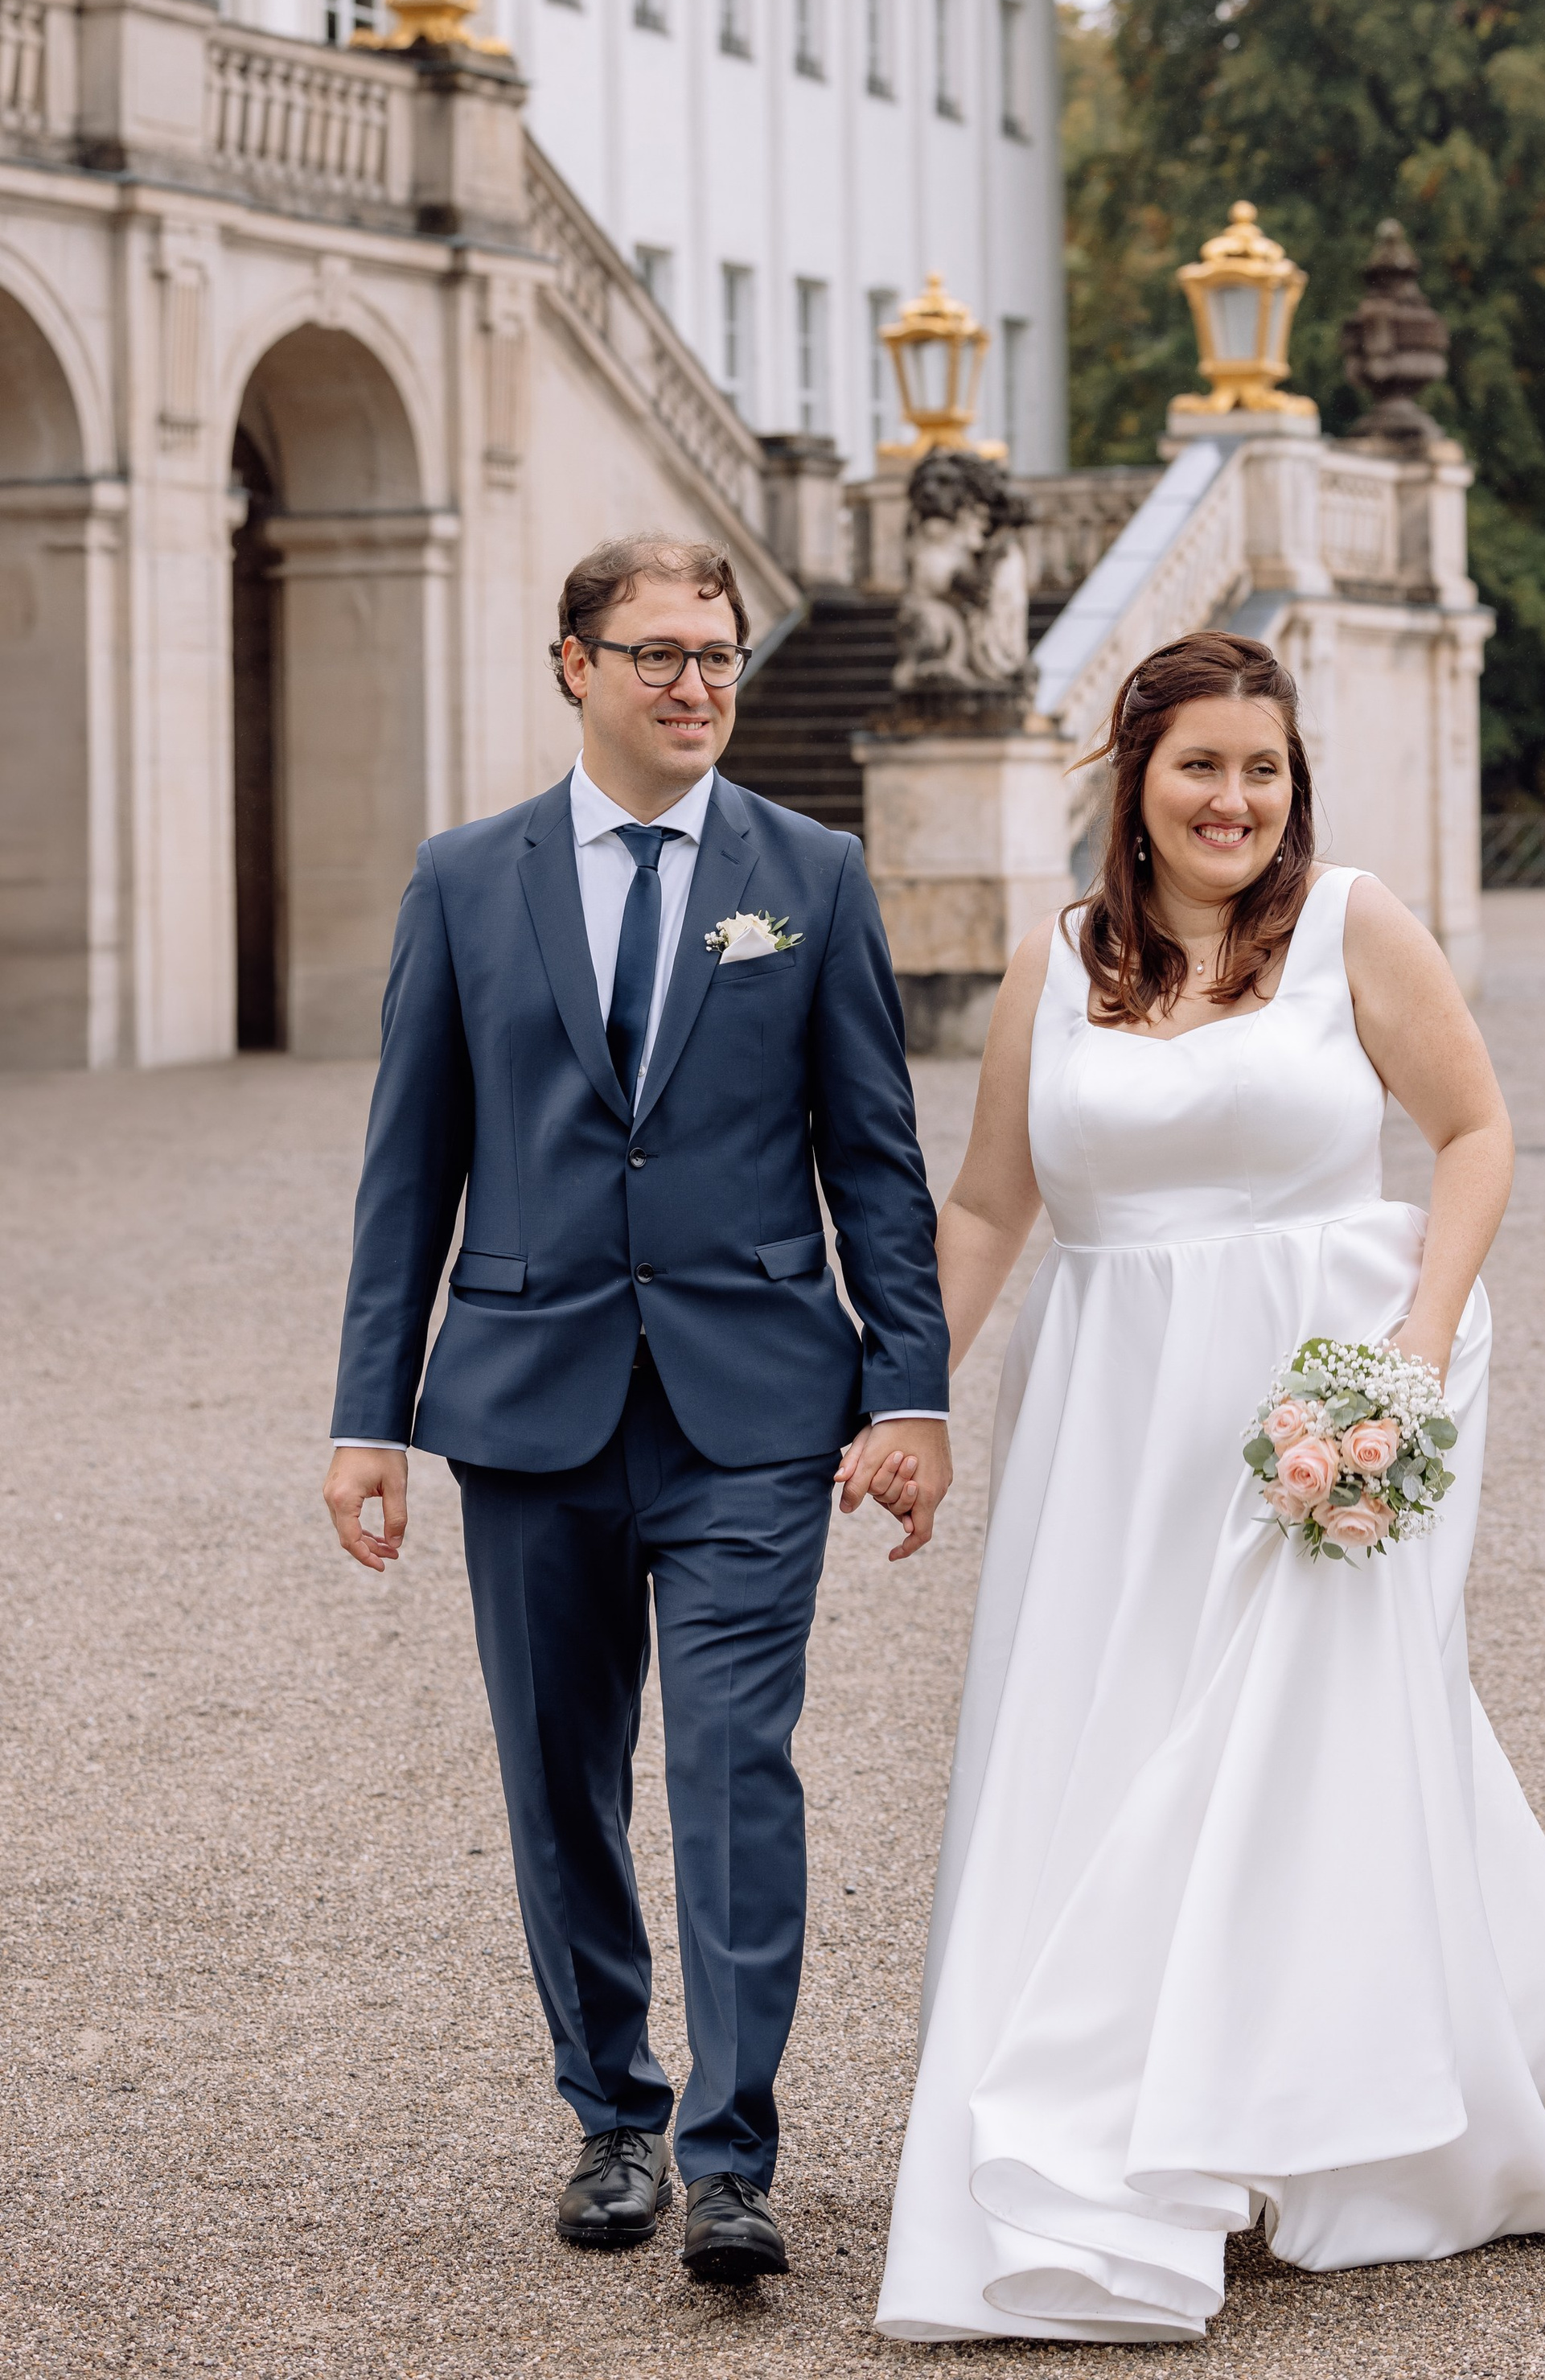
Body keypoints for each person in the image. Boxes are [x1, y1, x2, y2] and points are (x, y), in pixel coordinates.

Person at [876, 631, 1545, 2345]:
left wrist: (1407, 1355)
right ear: (1133, 777)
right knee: (1104, 1739)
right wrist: (906, 1397)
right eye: (1200, 763)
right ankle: (1120, 2097)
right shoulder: (1055, 964)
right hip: (1109, 1424)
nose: (1234, 799)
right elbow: (985, 1204)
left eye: (1261, 768)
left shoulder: (1349, 922)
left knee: (1286, 1746)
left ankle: (1292, 2118)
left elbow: (1472, 1133)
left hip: (1309, 1415)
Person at [323, 534, 952, 2284]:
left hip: (754, 1401)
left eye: (718, 653)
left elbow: (876, 1165)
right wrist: (365, 1414)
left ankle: (733, 2155)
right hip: (527, 1404)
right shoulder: (463, 880)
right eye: (658, 651)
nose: (694, 682)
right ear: (572, 666)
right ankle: (612, 2110)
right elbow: (408, 1171)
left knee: (735, 1768)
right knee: (558, 1777)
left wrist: (910, 1386)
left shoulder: (808, 874)